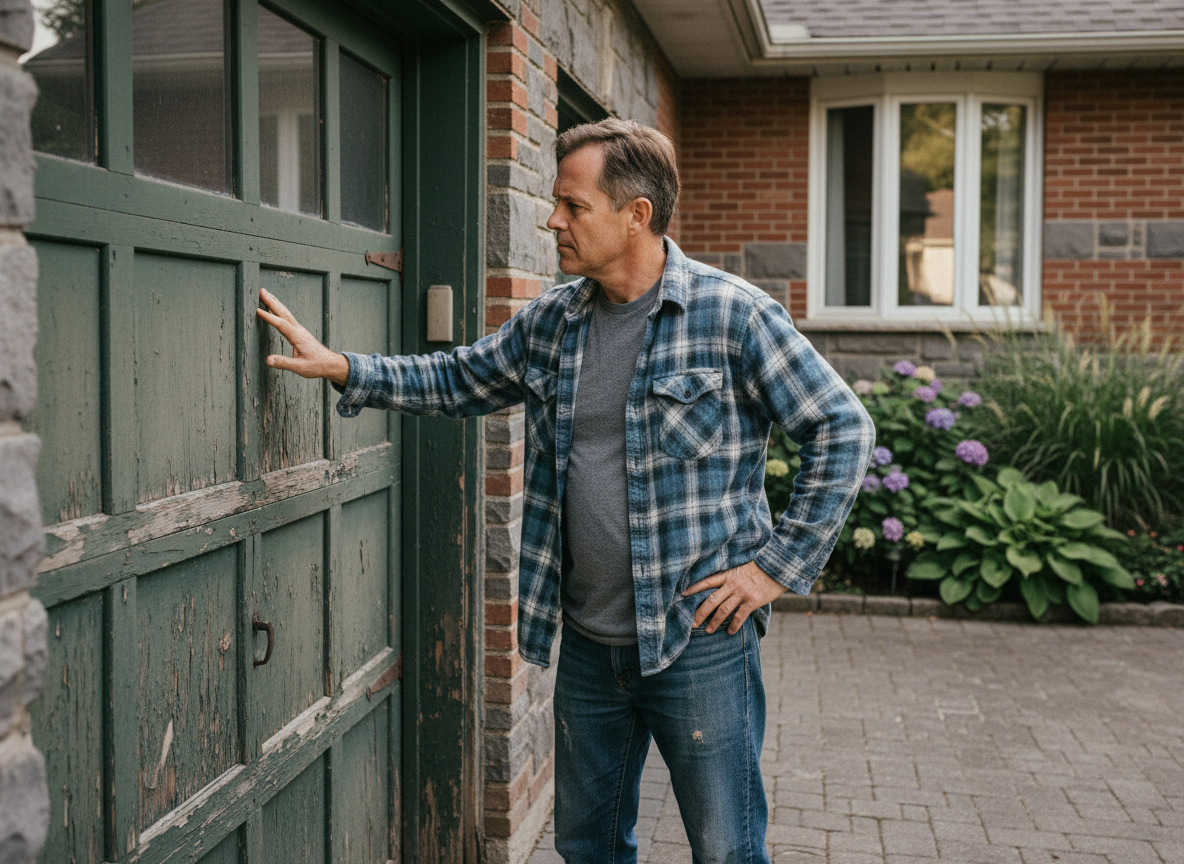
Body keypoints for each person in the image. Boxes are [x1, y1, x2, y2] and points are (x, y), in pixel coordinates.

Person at [256, 118, 874, 863]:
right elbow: (458, 377)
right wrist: (347, 368)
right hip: (588, 647)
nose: (552, 221)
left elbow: (843, 428)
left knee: (727, 849)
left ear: (635, 214)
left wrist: (773, 569)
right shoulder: (554, 321)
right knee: (587, 848)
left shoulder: (732, 314)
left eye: (572, 206)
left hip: (699, 641)